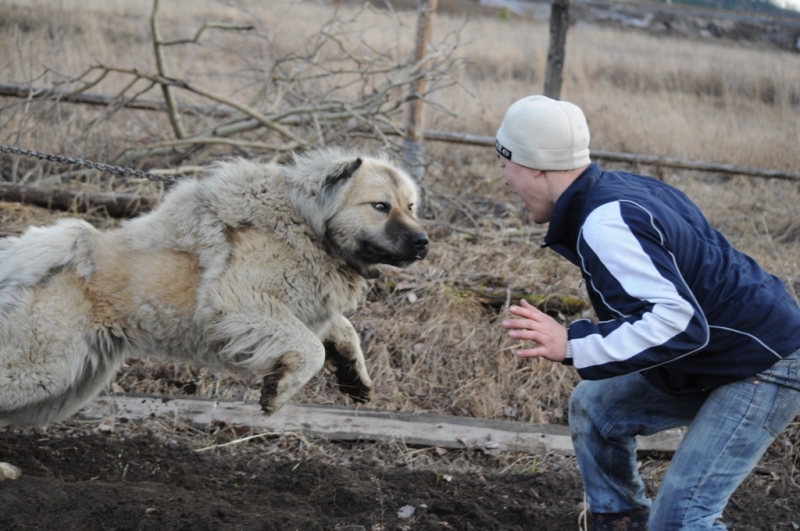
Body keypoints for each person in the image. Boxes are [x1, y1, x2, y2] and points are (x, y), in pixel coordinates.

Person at [496, 95, 800, 531]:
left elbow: (677, 323)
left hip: (766, 363)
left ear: (534, 166)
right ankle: (620, 522)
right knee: (597, 408)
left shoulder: (606, 220)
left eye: (505, 164)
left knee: (681, 520)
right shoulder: (619, 193)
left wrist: (572, 344)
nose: (504, 179)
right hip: (722, 350)